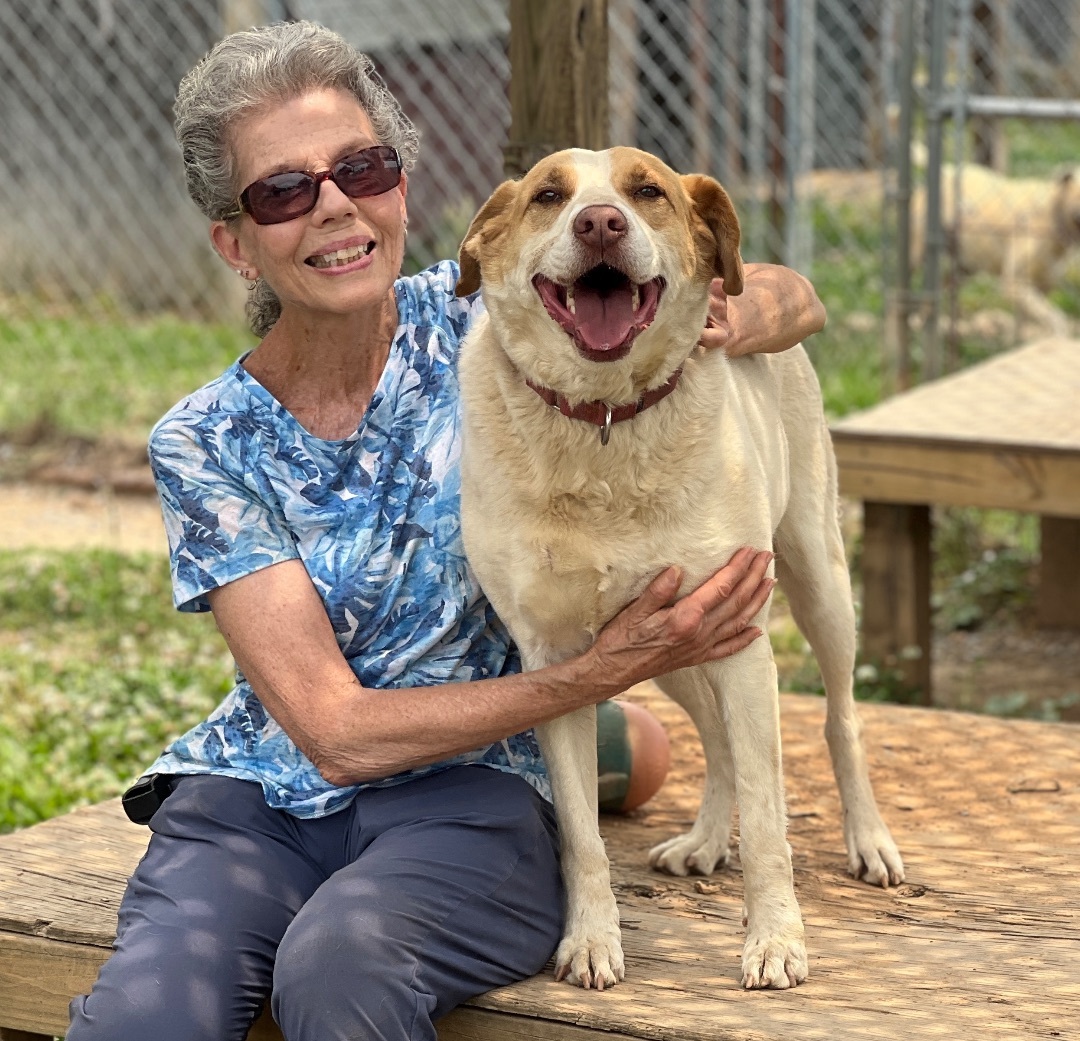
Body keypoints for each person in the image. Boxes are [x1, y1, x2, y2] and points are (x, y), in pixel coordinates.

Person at [66, 20, 826, 1041]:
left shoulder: (498, 320)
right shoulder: (207, 440)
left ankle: (619, 749)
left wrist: (748, 309)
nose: (333, 202)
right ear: (234, 245)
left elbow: (766, 286)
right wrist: (596, 680)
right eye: (283, 191)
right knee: (146, 1014)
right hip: (259, 799)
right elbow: (332, 732)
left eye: (361, 167)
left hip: (474, 798)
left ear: (401, 189)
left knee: (344, 969)